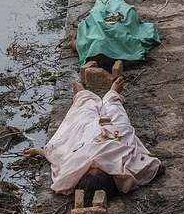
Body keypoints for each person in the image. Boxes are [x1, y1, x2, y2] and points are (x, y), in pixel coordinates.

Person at [23, 77, 165, 205]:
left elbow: (58, 157)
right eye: (100, 170)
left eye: (90, 169)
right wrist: (134, 176)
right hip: (115, 132)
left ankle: (83, 96)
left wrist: (37, 151)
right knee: (116, 113)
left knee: (81, 116)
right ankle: (112, 94)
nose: (95, 164)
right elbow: (155, 166)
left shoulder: (73, 168)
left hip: (86, 134)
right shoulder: (124, 171)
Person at [71, 0, 160, 68]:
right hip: (120, 30)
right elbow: (145, 34)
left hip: (100, 31)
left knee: (97, 14)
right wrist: (82, 27)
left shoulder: (91, 47)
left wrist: (82, 27)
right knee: (126, 13)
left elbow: (74, 41)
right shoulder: (129, 49)